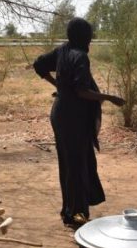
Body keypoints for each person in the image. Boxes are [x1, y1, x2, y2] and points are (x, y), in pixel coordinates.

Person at [33, 17, 125, 227]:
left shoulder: (62, 51)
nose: (91, 39)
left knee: (70, 165)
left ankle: (71, 212)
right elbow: (82, 91)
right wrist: (110, 98)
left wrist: (59, 85)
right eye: (90, 35)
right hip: (73, 118)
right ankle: (76, 216)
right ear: (85, 37)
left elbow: (39, 65)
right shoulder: (80, 56)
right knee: (77, 167)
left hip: (61, 114)